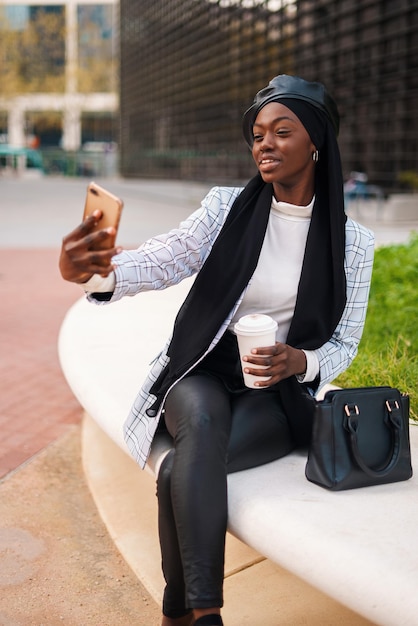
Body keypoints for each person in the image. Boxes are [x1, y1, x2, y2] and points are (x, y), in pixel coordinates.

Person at [59, 74, 375, 626]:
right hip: (203, 368)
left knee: (177, 470)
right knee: (201, 423)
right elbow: (165, 258)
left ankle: (176, 612)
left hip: (275, 393)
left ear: (316, 143)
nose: (265, 144)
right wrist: (98, 273)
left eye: (282, 131)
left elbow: (345, 341)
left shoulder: (354, 244)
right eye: (257, 134)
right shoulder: (225, 208)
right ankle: (209, 614)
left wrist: (301, 361)